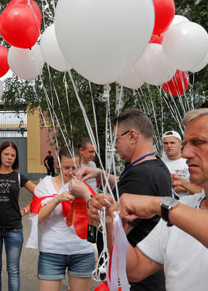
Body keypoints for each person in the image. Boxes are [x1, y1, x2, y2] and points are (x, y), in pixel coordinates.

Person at [88, 107, 208, 290]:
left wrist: (159, 205)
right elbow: (136, 268)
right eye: (186, 144)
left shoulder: (172, 210)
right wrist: (112, 225)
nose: (186, 153)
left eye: (199, 142)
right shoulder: (180, 207)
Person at [77, 109, 172, 291]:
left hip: (135, 280)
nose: (115, 145)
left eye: (116, 139)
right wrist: (103, 175)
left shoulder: (142, 175)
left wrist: (86, 195)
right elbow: (127, 184)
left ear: (133, 136)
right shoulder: (156, 166)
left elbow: (112, 226)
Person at [32, 147, 95, 291]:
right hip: (52, 252)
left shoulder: (84, 187)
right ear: (58, 164)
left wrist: (86, 196)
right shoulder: (45, 185)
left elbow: (95, 220)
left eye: (75, 168)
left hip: (82, 252)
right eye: (66, 167)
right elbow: (37, 218)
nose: (71, 172)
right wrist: (56, 200)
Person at [0, 141, 36, 291]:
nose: (9, 157)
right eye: (6, 154)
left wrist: (25, 210)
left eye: (13, 155)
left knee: (13, 270)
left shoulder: (18, 177)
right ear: (0, 155)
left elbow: (40, 194)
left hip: (14, 229)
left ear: (15, 158)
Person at [161, 130, 202, 197]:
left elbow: (200, 191)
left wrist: (184, 188)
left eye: (172, 143)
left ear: (181, 144)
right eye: (166, 143)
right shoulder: (159, 164)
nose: (169, 146)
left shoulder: (191, 162)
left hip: (190, 205)